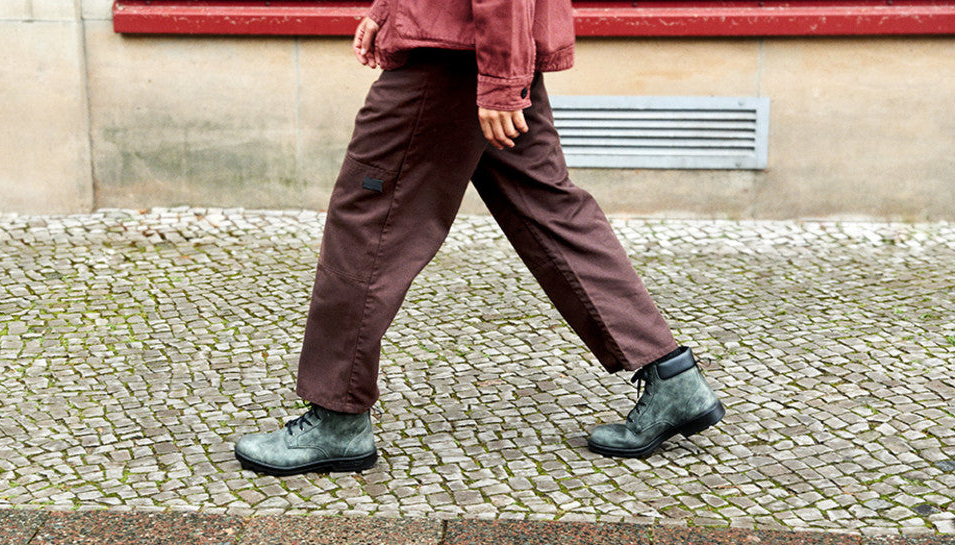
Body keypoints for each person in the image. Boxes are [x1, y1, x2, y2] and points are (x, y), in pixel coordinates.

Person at [234, 0, 724, 476]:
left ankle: (337, 416)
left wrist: (501, 82)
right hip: (479, 42)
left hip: (457, 53)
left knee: (366, 218)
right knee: (550, 210)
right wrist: (390, 11)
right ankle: (671, 377)